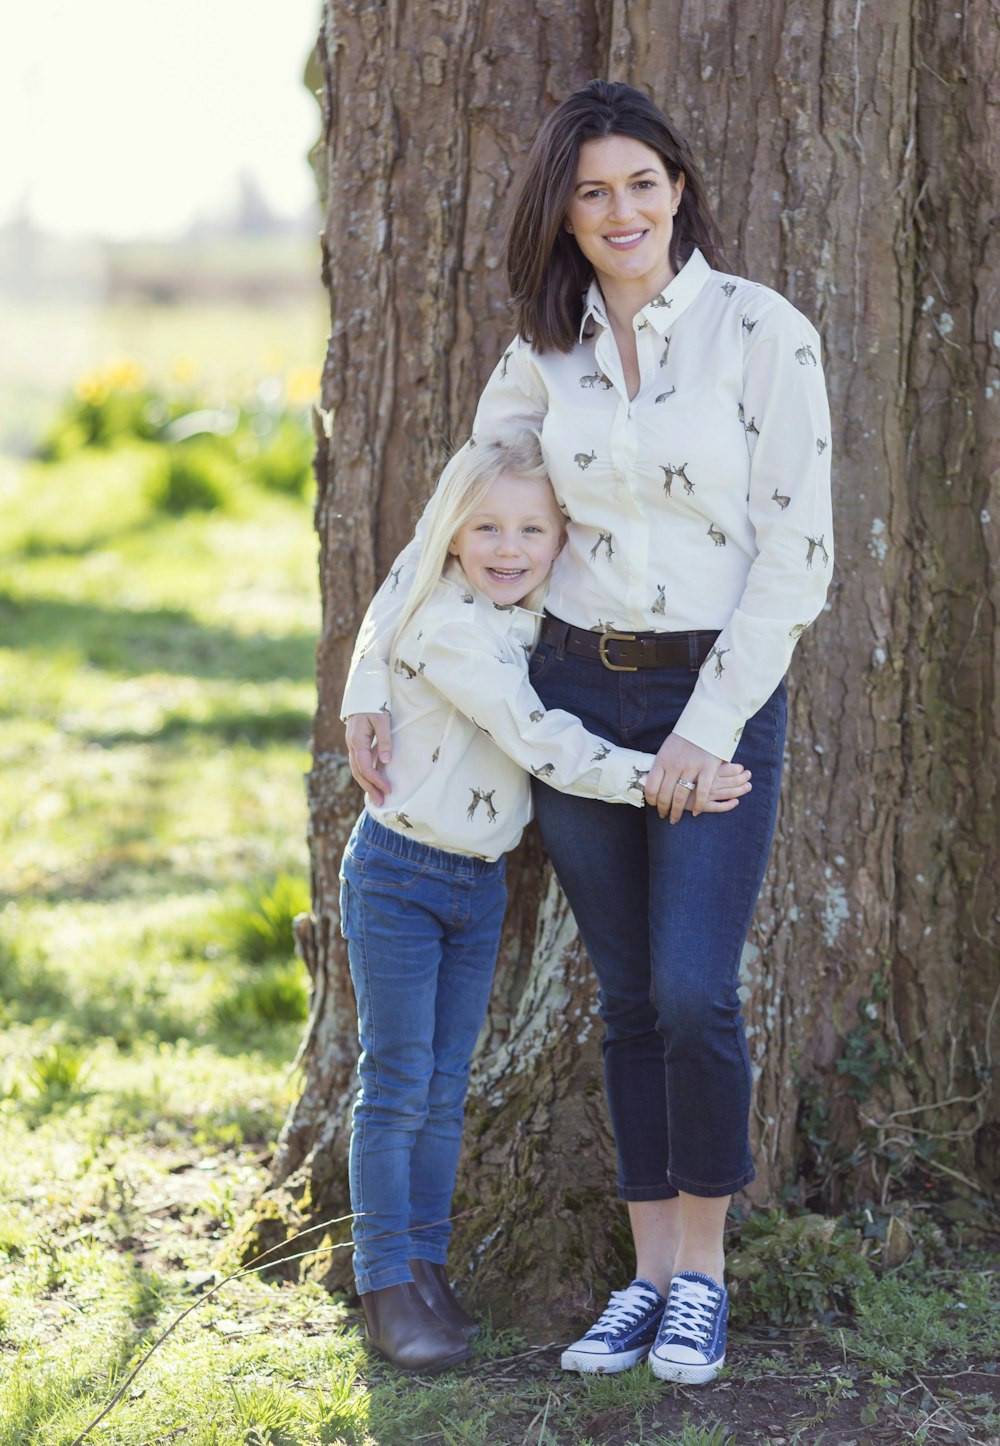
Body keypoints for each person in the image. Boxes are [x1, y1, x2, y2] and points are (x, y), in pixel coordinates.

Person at [344, 79, 833, 1385]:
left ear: (679, 188)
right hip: (571, 692)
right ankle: (647, 1276)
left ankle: (705, 1277)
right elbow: (454, 529)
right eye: (590, 190)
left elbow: (798, 558)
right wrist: (366, 683)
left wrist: (704, 729)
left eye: (640, 182)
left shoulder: (761, 335)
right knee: (625, 998)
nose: (620, 210)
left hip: (709, 702)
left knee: (691, 987)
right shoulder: (540, 356)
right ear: (563, 214)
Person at [339, 431, 752, 1374]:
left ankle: (428, 1265)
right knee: (398, 1084)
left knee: (445, 1091)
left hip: (476, 886)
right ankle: (384, 1281)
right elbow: (542, 738)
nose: (508, 547)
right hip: (400, 876)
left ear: (564, 540)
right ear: (449, 535)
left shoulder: (520, 620)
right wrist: (660, 777)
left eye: (532, 528)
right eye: (485, 527)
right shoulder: (447, 625)